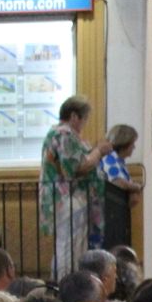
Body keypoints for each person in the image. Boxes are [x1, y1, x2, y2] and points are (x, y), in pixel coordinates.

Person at [39, 95, 113, 278]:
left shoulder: (60, 134)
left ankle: (71, 281)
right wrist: (99, 151)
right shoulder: (65, 134)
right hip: (67, 198)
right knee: (69, 244)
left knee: (75, 244)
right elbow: (74, 168)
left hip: (71, 198)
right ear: (74, 116)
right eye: (84, 119)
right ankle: (65, 283)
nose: (84, 123)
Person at [99, 124, 141, 251]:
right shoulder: (110, 159)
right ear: (125, 143)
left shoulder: (120, 161)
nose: (134, 147)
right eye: (132, 143)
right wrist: (135, 187)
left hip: (117, 214)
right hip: (109, 214)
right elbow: (117, 182)